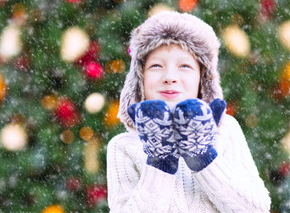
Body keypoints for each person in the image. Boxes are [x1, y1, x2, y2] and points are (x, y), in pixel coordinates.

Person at [106, 11, 271, 212]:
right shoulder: (123, 147)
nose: (169, 77)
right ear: (140, 78)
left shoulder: (225, 132)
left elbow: (256, 208)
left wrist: (203, 157)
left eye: (184, 66)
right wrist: (160, 163)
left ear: (203, 79)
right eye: (156, 65)